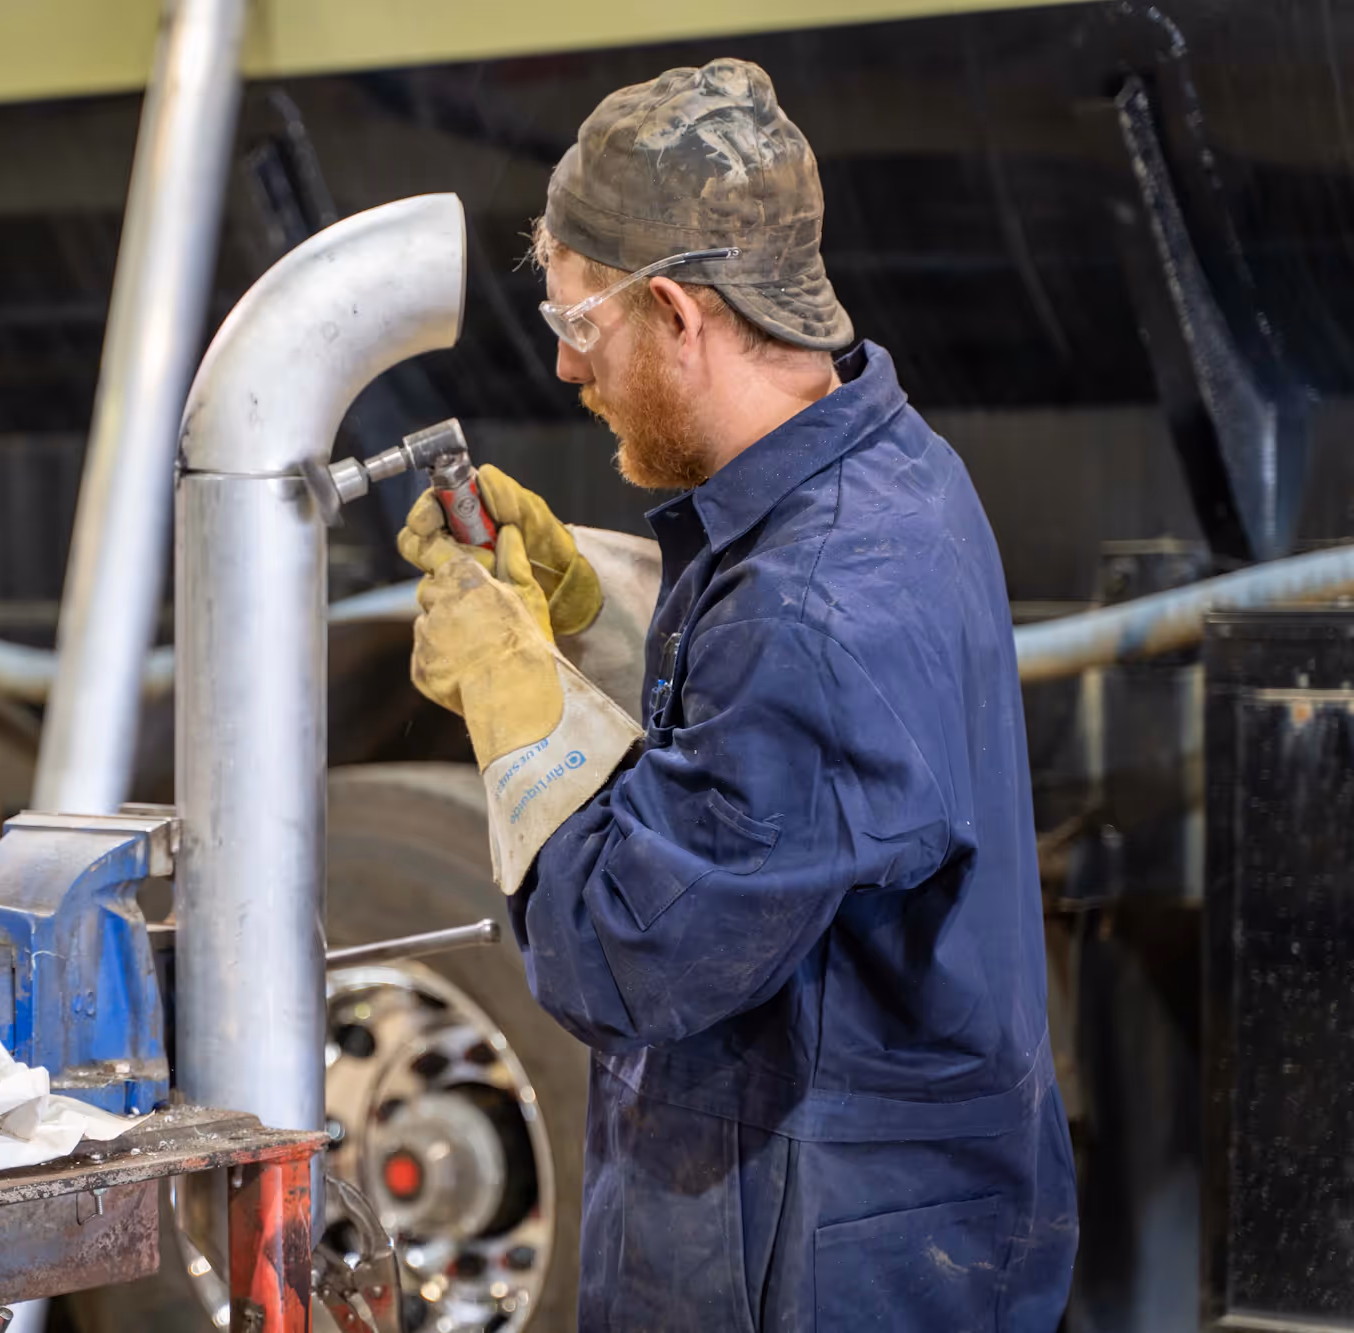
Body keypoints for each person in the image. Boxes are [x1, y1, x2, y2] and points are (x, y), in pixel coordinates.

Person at [397, 58, 1078, 1330]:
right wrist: (589, 615)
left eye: (577, 328)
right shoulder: (884, 477)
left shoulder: (815, 609)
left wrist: (505, 689)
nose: (564, 372)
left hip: (813, 1273)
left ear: (677, 312)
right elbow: (765, 746)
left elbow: (616, 959)